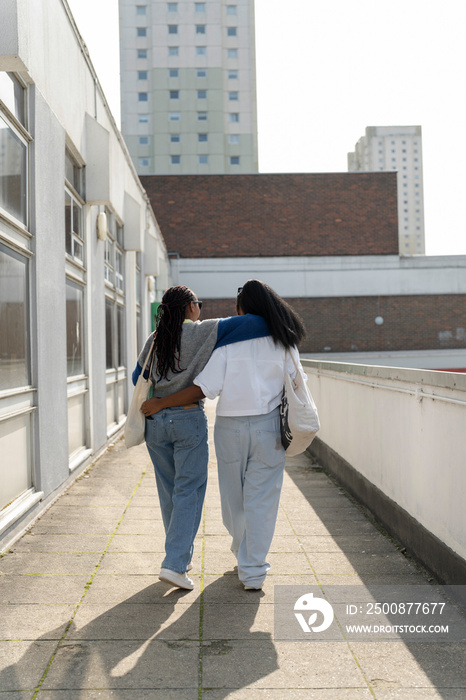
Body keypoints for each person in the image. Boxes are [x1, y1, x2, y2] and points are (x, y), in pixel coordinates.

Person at [145, 280, 307, 591]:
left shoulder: (222, 341)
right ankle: (252, 569)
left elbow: (207, 386)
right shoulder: (284, 339)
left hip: (228, 427)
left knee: (232, 500)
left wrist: (161, 401)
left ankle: (224, 551)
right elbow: (297, 382)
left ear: (240, 309)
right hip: (269, 428)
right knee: (262, 498)